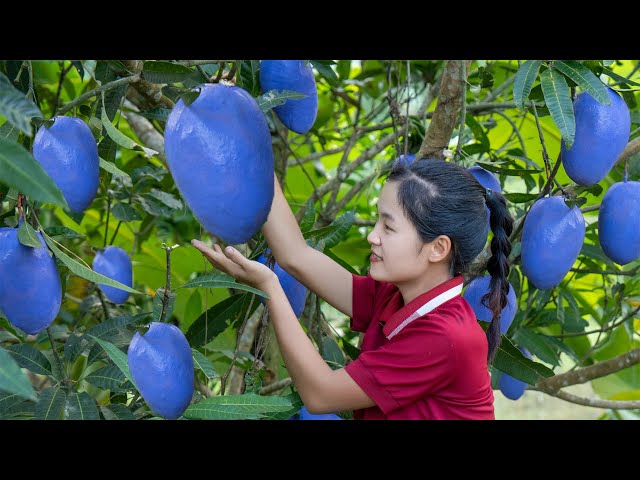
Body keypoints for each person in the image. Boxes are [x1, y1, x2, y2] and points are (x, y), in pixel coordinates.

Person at [191, 157, 514, 420]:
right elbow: (296, 256)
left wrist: (270, 287)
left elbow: (321, 394)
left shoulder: (446, 337)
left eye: (387, 227)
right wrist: (253, 148)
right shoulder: (395, 295)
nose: (373, 236)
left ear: (438, 248)